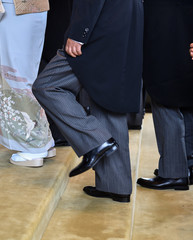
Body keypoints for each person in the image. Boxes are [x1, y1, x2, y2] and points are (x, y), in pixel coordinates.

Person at [33, 0, 143, 202]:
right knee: (105, 98)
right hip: (122, 20)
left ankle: (96, 140)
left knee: (46, 86)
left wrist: (79, 33)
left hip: (99, 27)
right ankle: (116, 186)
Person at [0, 0, 55, 167]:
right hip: (38, 8)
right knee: (28, 75)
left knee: (14, 76)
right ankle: (43, 140)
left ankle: (32, 147)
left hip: (13, 10)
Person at [137, 0, 193, 190]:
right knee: (183, 93)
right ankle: (187, 165)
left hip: (168, 28)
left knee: (165, 92)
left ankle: (173, 172)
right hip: (177, 24)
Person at [38, 0, 73, 147]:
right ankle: (57, 131)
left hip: (57, 16)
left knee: (51, 77)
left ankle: (60, 132)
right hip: (51, 14)